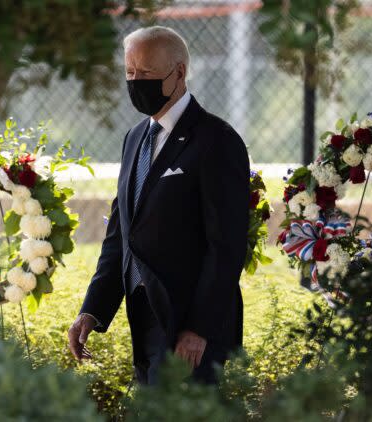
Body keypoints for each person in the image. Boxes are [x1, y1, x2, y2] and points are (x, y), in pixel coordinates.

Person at [67, 26, 250, 385]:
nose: (136, 82)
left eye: (147, 73)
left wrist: (199, 328)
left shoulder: (217, 140)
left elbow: (226, 246)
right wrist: (92, 310)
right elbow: (121, 235)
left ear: (179, 72)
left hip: (190, 330)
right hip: (144, 318)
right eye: (130, 73)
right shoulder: (135, 138)